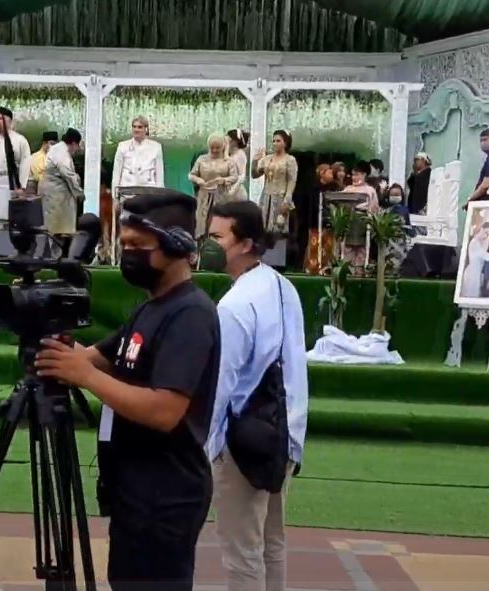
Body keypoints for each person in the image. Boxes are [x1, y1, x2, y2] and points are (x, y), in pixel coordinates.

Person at [35, 189, 219, 591]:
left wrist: (85, 377)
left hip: (165, 497)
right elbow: (97, 357)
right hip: (134, 489)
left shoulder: (190, 315)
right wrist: (52, 344)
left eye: (138, 245)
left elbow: (165, 410)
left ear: (175, 245)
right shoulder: (151, 306)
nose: (128, 253)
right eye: (123, 244)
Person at [204, 200, 308, 591]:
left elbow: (220, 384)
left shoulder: (233, 305)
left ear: (246, 243)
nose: (209, 244)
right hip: (283, 431)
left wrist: (208, 447)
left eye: (217, 236)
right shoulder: (283, 286)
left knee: (242, 549)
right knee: (270, 541)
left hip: (243, 439)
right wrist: (295, 438)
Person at [0, 106, 32, 244]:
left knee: (8, 218)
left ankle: (7, 247)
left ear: (10, 121)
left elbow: (25, 162)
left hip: (8, 183)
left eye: (0, 118)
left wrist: (22, 185)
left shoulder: (20, 140)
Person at [189, 135, 240, 239]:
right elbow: (191, 175)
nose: (214, 150)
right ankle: (201, 248)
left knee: (219, 221)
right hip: (204, 196)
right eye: (212, 147)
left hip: (221, 196)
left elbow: (234, 177)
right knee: (202, 223)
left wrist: (223, 180)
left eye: (217, 147)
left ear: (222, 147)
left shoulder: (228, 161)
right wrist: (199, 180)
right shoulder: (201, 159)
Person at [40, 128, 85, 242]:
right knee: (54, 228)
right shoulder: (61, 153)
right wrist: (79, 193)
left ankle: (56, 255)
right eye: (78, 145)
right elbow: (68, 174)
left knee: (58, 228)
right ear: (74, 143)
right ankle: (52, 256)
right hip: (54, 195)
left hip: (57, 194)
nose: (77, 148)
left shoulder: (58, 149)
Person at [252, 130, 298, 236]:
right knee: (263, 229)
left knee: (279, 228)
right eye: (273, 141)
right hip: (266, 197)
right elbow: (255, 175)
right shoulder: (267, 159)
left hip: (281, 197)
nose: (275, 143)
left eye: (278, 141)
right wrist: (255, 161)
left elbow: (292, 181)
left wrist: (287, 200)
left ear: (285, 143)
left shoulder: (290, 160)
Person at [342, 161, 380, 274]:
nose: (354, 177)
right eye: (353, 174)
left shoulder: (370, 190)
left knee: (362, 249)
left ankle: (360, 272)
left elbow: (374, 209)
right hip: (349, 223)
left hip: (363, 224)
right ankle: (347, 271)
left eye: (357, 174)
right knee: (347, 248)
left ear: (364, 175)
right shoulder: (347, 189)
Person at [111, 116, 164, 194]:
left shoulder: (156, 147)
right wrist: (114, 196)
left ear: (146, 129)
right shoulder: (122, 146)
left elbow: (159, 174)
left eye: (140, 127)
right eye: (134, 127)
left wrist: (160, 196)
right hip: (127, 190)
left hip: (148, 191)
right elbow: (116, 173)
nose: (136, 130)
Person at [304, 164, 339, 275]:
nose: (331, 174)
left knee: (328, 246)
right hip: (315, 222)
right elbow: (313, 206)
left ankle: (326, 268)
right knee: (315, 246)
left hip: (330, 222)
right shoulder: (314, 188)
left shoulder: (335, 188)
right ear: (321, 174)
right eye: (328, 172)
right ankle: (313, 268)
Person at [461, 221, 489, 298]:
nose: (486, 235)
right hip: (472, 274)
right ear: (481, 229)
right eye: (485, 232)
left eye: (488, 234)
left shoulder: (478, 243)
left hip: (475, 274)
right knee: (471, 297)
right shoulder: (475, 243)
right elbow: (487, 257)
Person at [226, 129, 250, 201]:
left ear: (235, 141)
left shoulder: (240, 154)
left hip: (236, 192)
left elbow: (242, 176)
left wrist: (232, 190)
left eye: (229, 138)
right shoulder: (229, 154)